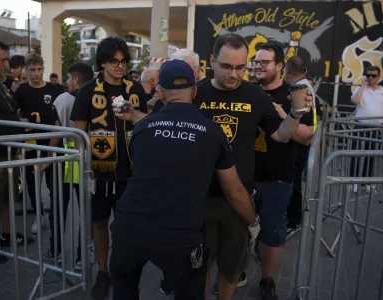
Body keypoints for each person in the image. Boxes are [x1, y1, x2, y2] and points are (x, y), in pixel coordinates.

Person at [117, 34, 312, 300]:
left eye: (240, 67)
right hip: (198, 200)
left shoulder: (255, 94)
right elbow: (162, 123)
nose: (234, 74)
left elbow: (280, 135)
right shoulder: (194, 90)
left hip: (237, 197)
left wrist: (295, 115)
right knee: (198, 268)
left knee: (232, 268)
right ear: (212, 62)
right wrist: (134, 115)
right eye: (227, 66)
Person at [109, 59, 258, 300]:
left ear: (160, 93)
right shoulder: (212, 132)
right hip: (178, 236)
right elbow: (235, 191)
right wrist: (253, 221)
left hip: (130, 227)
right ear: (195, 91)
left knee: (124, 289)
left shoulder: (143, 127)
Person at [70, 36, 147, 300]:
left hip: (132, 173)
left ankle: (123, 271)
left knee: (126, 225)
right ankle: (103, 271)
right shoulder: (87, 90)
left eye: (124, 61)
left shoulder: (135, 90)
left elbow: (145, 124)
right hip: (99, 173)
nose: (120, 66)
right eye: (114, 62)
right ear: (102, 63)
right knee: (99, 222)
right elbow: (77, 132)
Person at [253, 44, 314, 300]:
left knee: (273, 232)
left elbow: (307, 137)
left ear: (280, 66)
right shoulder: (246, 92)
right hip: (243, 175)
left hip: (277, 177)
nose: (258, 66)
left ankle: (268, 280)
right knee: (238, 231)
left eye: (265, 62)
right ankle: (234, 273)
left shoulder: (296, 94)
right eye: (256, 61)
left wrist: (286, 116)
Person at [0, 40, 32, 263]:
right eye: (1, 60)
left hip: (9, 151)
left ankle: (4, 236)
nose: (6, 64)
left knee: (5, 199)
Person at [45, 63, 94, 268]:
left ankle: (55, 251)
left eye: (68, 79)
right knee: (87, 212)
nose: (66, 83)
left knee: (58, 209)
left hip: (64, 162)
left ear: (75, 80)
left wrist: (48, 158)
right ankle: (82, 257)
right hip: (88, 164)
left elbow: (57, 132)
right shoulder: (95, 98)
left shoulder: (62, 99)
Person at [13, 53, 62, 235]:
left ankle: (54, 217)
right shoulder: (22, 91)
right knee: (32, 183)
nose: (36, 73)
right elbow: (17, 115)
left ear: (43, 68)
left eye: (39, 69)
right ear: (27, 70)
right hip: (31, 143)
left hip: (52, 143)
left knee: (52, 183)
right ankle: (39, 215)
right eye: (32, 70)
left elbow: (59, 118)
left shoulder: (55, 90)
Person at [285, 56, 320, 233]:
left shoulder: (300, 88)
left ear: (287, 71)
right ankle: (294, 218)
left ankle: (294, 220)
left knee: (294, 182)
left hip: (301, 142)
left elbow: (299, 118)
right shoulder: (306, 85)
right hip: (305, 139)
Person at [350, 65, 383, 192]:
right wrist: (363, 86)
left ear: (378, 77)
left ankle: (367, 181)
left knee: (371, 154)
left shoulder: (382, 91)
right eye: (368, 75)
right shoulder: (360, 89)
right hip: (360, 124)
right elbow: (356, 101)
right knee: (356, 153)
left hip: (376, 126)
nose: (370, 78)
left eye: (373, 76)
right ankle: (354, 181)